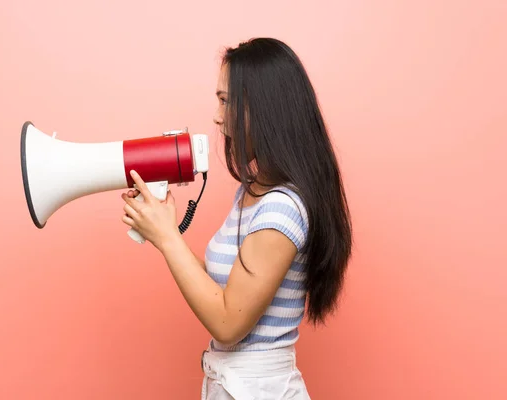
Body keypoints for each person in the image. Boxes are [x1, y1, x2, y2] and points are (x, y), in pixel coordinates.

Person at [120, 37, 352, 399]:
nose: (216, 114)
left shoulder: (281, 209)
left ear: (264, 108)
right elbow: (225, 291)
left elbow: (228, 322)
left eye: (226, 100)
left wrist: (168, 238)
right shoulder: (253, 193)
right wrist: (163, 229)